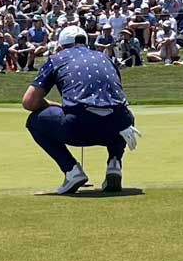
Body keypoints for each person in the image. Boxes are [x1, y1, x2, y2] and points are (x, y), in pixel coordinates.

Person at [22, 25, 140, 195]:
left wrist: (53, 105)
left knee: (34, 121)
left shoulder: (56, 58)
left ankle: (72, 171)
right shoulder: (104, 57)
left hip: (79, 127)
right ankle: (114, 164)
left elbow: (29, 102)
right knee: (124, 114)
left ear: (61, 45)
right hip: (119, 126)